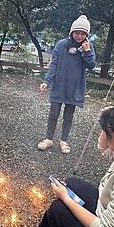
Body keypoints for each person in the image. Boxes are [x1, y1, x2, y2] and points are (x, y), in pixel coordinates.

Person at [38, 15, 96, 154]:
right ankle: (49, 139)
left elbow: (91, 66)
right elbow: (54, 64)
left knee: (68, 116)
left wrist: (87, 51)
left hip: (75, 87)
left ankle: (64, 140)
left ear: (86, 35)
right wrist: (47, 81)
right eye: (77, 33)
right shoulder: (61, 44)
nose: (79, 36)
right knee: (53, 113)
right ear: (71, 32)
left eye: (83, 34)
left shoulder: (87, 46)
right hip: (59, 85)